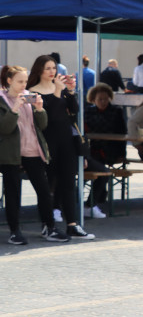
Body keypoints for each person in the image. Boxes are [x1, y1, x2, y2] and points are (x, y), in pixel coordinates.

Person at [27, 55, 94, 239]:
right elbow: (49, 117)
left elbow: (74, 111)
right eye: (48, 68)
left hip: (66, 140)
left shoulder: (61, 88)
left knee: (68, 183)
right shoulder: (31, 92)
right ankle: (46, 224)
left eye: (54, 68)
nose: (52, 72)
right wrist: (58, 92)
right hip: (46, 142)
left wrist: (70, 92)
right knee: (47, 186)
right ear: (39, 69)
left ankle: (72, 224)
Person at [0, 65, 67, 244]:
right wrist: (15, 107)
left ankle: (49, 227)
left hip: (32, 149)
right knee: (13, 193)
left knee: (44, 190)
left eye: (25, 81)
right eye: (19, 81)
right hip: (10, 153)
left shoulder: (29, 96)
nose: (23, 85)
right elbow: (5, 128)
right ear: (9, 81)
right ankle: (15, 231)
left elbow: (42, 125)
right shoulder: (2, 100)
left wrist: (39, 108)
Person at [83, 83, 128, 219]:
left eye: (105, 99)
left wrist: (122, 154)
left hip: (110, 148)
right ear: (93, 99)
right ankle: (95, 199)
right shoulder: (88, 111)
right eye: (99, 99)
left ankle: (95, 200)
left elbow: (122, 133)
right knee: (97, 164)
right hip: (92, 148)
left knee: (101, 166)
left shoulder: (116, 111)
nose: (103, 102)